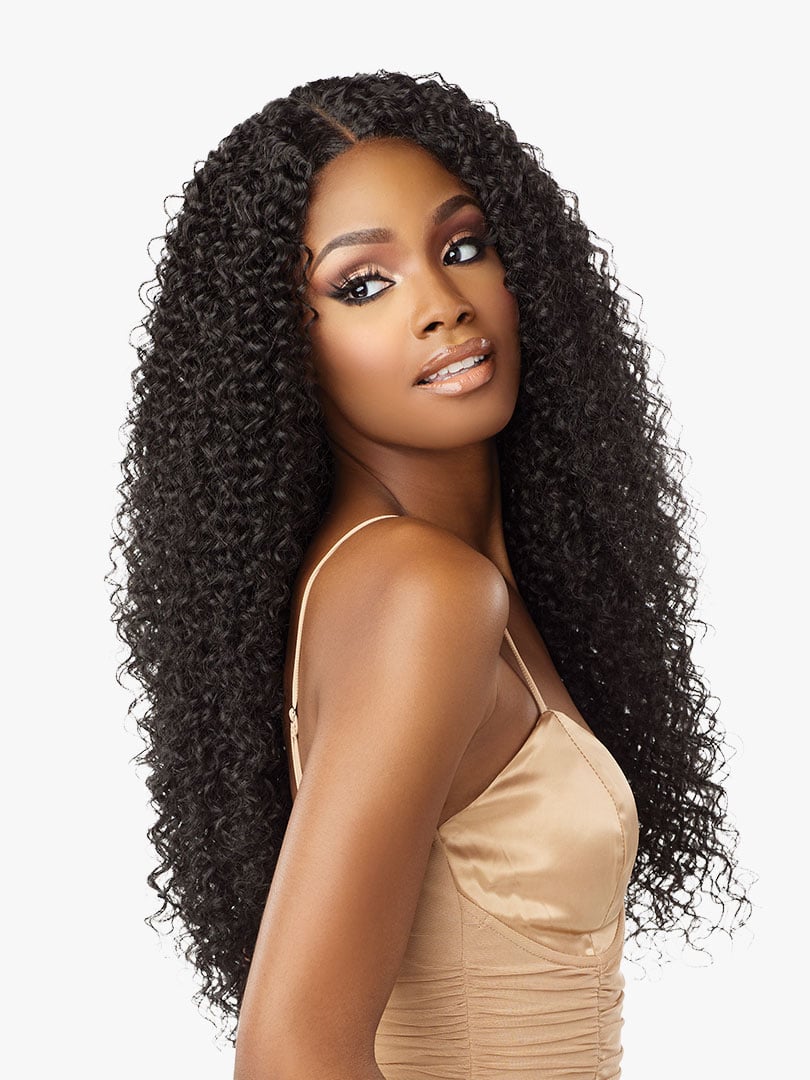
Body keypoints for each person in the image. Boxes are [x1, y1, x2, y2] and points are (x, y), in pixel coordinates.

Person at [109, 70, 753, 1079]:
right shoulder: (422, 591)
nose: (444, 307)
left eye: (462, 248)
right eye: (364, 285)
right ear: (280, 345)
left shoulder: (426, 575)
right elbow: (290, 1054)